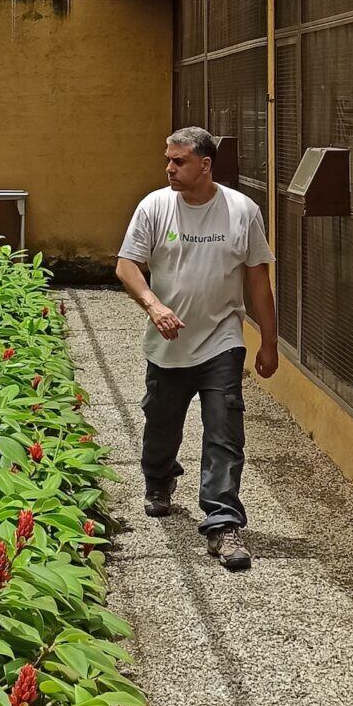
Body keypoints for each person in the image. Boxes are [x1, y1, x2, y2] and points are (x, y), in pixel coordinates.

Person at [116, 125, 278, 574]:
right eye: (168, 160)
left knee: (224, 432)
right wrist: (153, 305)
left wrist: (268, 340)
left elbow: (258, 279)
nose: (169, 168)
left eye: (179, 161)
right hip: (167, 345)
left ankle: (222, 523)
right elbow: (126, 264)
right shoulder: (154, 207)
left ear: (205, 165)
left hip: (221, 341)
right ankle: (159, 477)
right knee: (161, 425)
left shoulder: (242, 211)